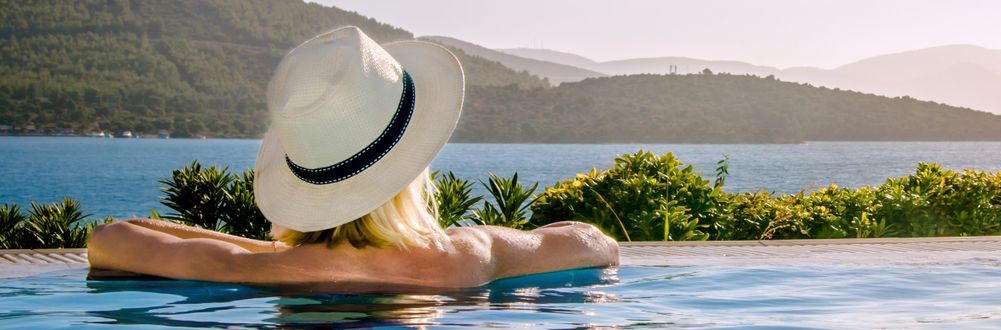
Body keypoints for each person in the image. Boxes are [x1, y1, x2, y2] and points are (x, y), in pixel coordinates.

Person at [86, 26, 618, 288]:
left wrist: (272, 252)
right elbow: (597, 244)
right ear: (411, 168)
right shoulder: (471, 253)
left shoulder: (255, 269)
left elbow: (109, 238)